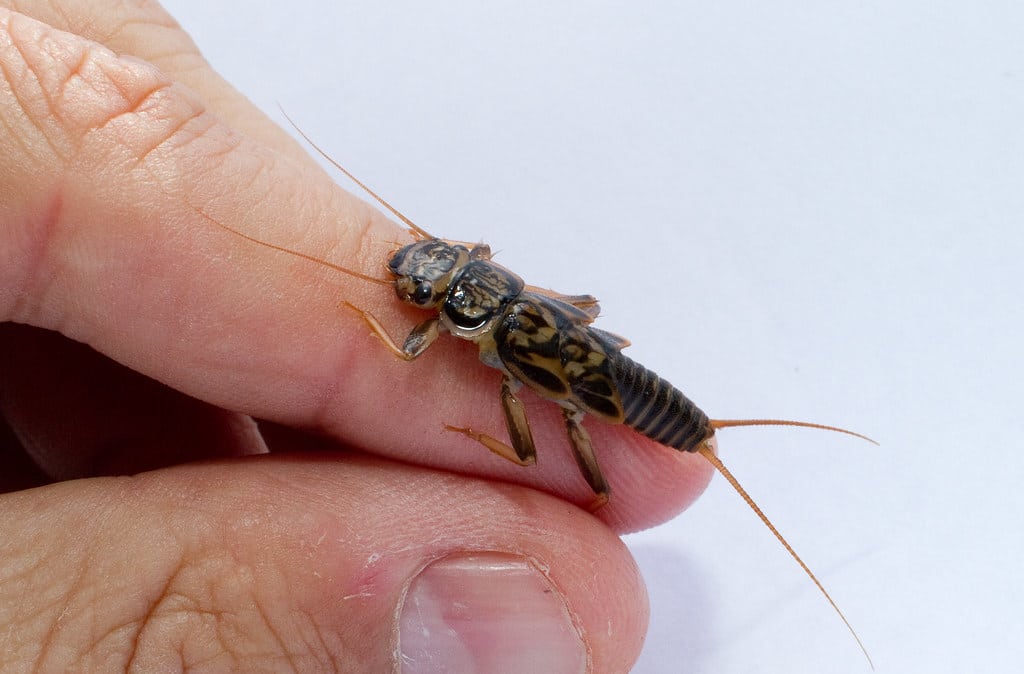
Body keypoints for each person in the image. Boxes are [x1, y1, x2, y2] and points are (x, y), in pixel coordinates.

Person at [0, 2, 711, 670]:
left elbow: (407, 348)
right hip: (610, 370)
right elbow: (560, 302)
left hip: (606, 395)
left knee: (542, 437)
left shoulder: (455, 334)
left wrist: (392, 340)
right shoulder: (503, 298)